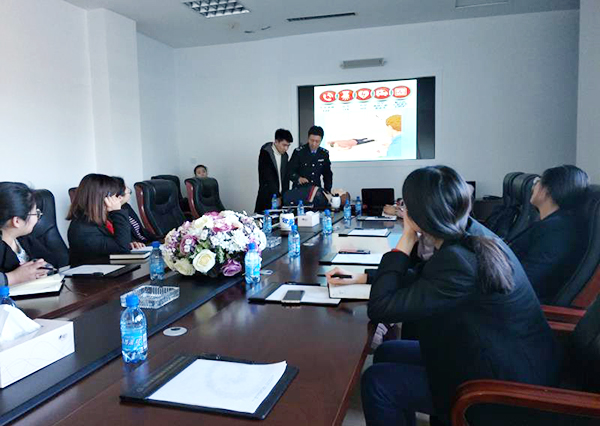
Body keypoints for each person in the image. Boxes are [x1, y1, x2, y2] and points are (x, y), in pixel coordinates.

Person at [326, 166, 561, 426]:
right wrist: (362, 277)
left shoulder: (458, 260)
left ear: (417, 215)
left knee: (377, 382)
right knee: (387, 351)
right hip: (496, 354)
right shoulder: (468, 233)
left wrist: (407, 239)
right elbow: (427, 278)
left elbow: (382, 307)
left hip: (501, 386)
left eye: (405, 206)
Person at [509, 165, 589, 302]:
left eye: (537, 182)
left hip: (518, 303)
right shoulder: (555, 224)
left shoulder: (557, 231)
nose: (533, 187)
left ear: (547, 190)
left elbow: (526, 278)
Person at [0, 182, 59, 285]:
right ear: (17, 221)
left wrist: (44, 270)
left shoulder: (23, 239)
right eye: (35, 213)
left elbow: (52, 262)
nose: (37, 218)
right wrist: (14, 277)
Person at [67, 174, 131, 265]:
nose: (118, 198)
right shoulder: (83, 229)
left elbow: (119, 244)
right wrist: (117, 212)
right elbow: (122, 250)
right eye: (114, 195)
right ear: (102, 197)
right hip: (91, 273)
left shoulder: (99, 220)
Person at [254, 129, 293, 213]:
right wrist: (276, 195)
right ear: (276, 142)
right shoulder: (266, 153)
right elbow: (268, 177)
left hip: (281, 197)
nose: (286, 148)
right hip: (267, 196)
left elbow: (285, 178)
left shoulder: (285, 156)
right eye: (284, 145)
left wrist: (284, 196)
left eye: (288, 146)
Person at [113, 177, 156, 248]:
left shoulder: (126, 206)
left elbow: (140, 231)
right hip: (136, 247)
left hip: (145, 244)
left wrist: (160, 238)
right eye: (125, 187)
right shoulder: (113, 214)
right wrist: (131, 243)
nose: (129, 189)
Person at [288, 126, 333, 193]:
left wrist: (327, 191)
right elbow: (289, 171)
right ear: (308, 138)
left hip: (315, 191)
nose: (314, 144)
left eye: (317, 141)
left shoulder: (324, 154)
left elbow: (327, 174)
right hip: (300, 190)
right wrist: (298, 178)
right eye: (312, 140)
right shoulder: (299, 152)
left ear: (321, 141)